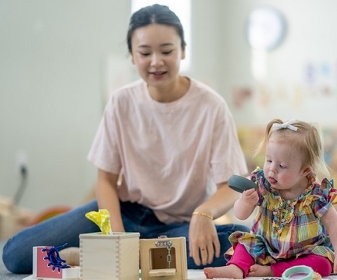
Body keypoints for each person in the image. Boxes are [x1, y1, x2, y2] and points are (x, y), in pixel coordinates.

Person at [2, 4, 249, 274]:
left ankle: (100, 256)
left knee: (245, 242)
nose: (156, 61)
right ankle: (133, 253)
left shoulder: (211, 106)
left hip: (178, 225)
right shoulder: (122, 102)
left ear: (183, 51)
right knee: (16, 255)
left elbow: (231, 185)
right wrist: (116, 238)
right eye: (145, 52)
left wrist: (204, 214)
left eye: (167, 51)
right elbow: (106, 179)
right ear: (132, 56)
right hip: (122, 213)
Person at [204, 119, 337, 279]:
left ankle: (274, 270)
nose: (271, 169)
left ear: (305, 171)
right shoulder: (261, 184)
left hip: (304, 252)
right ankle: (235, 269)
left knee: (324, 265)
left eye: (282, 166)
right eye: (269, 160)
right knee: (244, 245)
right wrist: (245, 202)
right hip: (265, 248)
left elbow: (334, 224)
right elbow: (240, 214)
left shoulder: (315, 195)